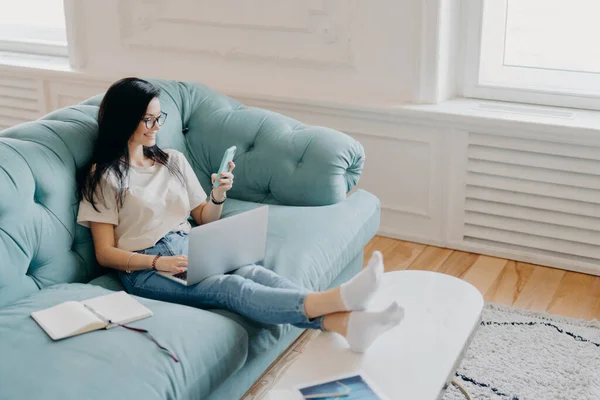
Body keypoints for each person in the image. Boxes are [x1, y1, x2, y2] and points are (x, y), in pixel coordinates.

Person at [76, 77, 404, 353]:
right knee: (229, 288)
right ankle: (337, 301)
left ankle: (346, 323)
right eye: (148, 119)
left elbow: (205, 218)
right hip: (145, 267)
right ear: (124, 120)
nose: (156, 127)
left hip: (191, 243)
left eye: (159, 118)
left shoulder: (172, 160)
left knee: (257, 273)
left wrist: (218, 194)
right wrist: (156, 263)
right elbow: (105, 254)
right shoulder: (104, 176)